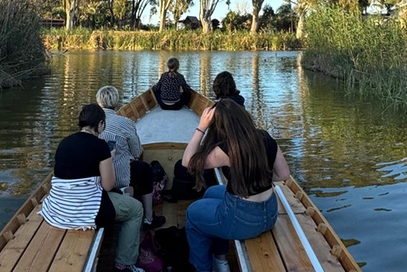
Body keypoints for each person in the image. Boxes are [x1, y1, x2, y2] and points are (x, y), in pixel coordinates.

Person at [182, 99, 291, 272]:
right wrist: (257, 177)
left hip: (241, 219)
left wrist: (201, 127)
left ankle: (202, 268)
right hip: (269, 213)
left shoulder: (227, 149)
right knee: (211, 192)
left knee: (193, 214)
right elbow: (283, 174)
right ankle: (221, 260)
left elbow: (187, 161)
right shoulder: (265, 137)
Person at [40, 103, 145, 272]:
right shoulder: (100, 146)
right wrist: (109, 158)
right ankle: (124, 263)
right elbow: (108, 185)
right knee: (136, 209)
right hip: (83, 213)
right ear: (101, 124)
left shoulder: (64, 143)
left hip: (58, 209)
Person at [96, 86, 166, 229]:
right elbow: (136, 152)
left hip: (96, 178)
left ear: (98, 102)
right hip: (118, 178)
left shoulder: (90, 124)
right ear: (117, 102)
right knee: (145, 169)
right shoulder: (125, 123)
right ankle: (148, 217)